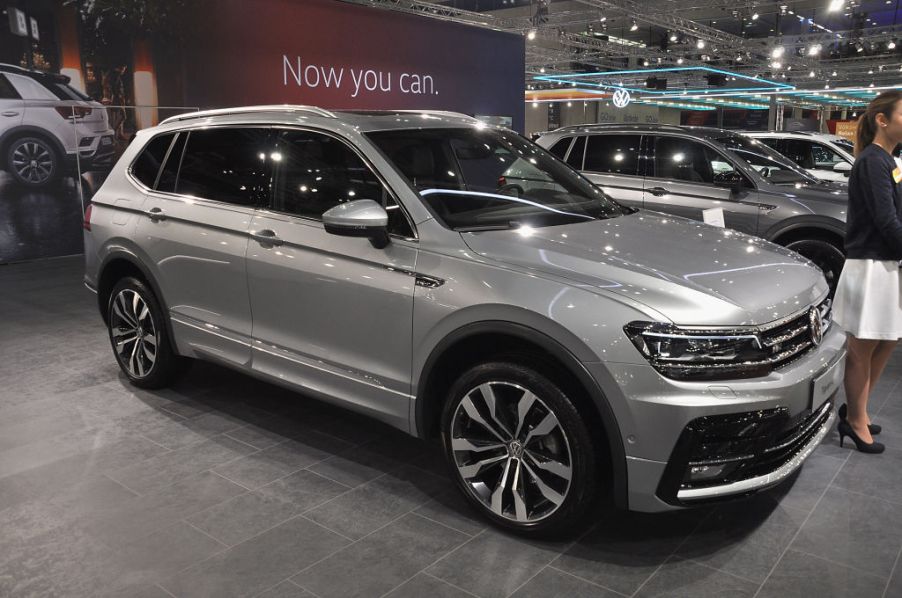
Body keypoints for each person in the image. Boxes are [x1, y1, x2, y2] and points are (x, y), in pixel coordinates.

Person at [832, 90, 902, 453]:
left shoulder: (889, 159)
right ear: (882, 119)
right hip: (871, 264)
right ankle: (855, 421)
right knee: (863, 346)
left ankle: (857, 409)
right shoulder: (873, 161)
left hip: (887, 264)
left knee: (887, 339)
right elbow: (886, 221)